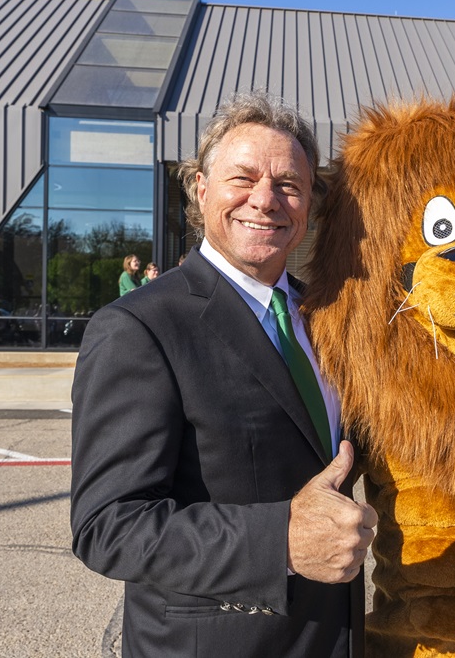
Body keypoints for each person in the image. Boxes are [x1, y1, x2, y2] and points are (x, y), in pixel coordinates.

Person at [70, 92, 376, 658]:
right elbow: (108, 526)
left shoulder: (329, 320)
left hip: (333, 636)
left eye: (289, 184)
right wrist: (279, 541)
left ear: (308, 204)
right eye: (243, 178)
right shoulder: (138, 327)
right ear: (202, 190)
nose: (266, 200)